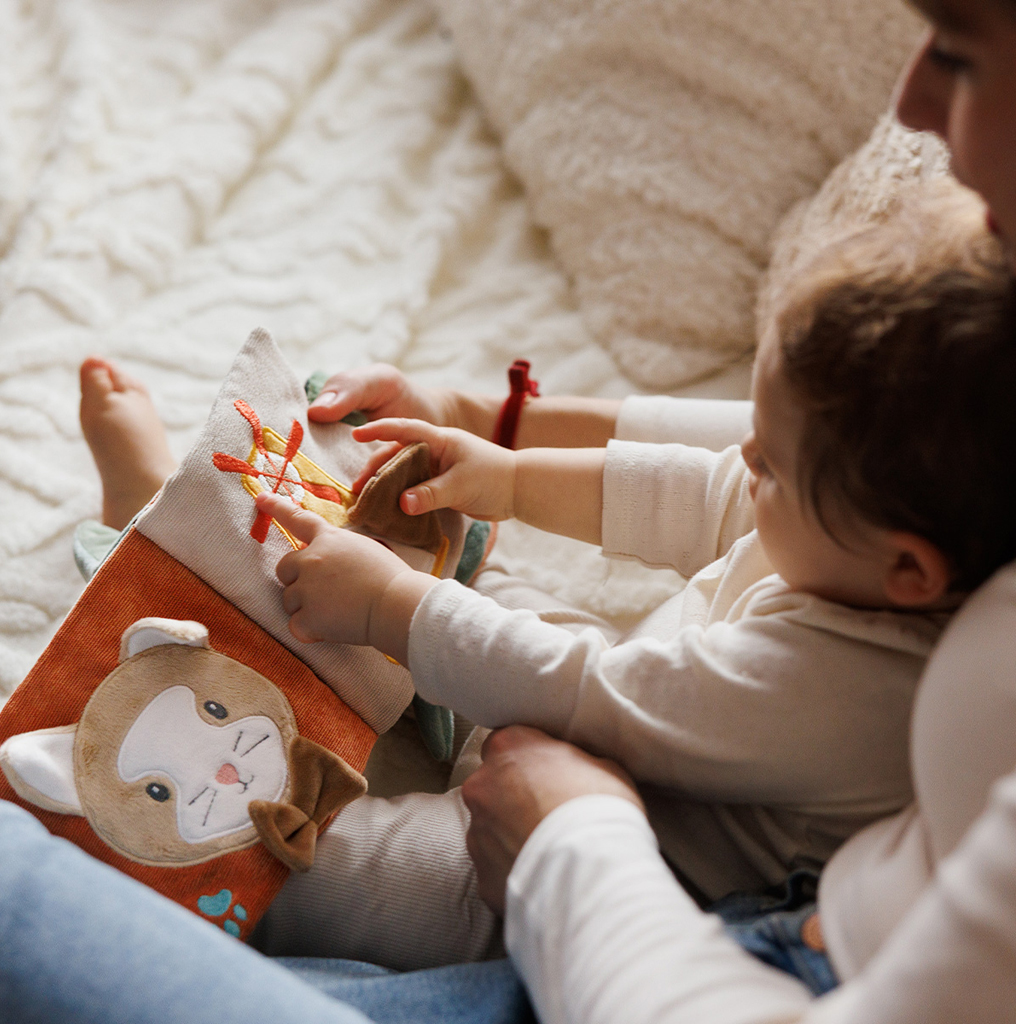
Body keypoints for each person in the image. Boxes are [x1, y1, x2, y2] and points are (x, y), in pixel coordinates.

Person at [248, 177, 1016, 978]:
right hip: (614, 700)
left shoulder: (855, 691)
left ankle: (186, 852)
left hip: (612, 851)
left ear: (909, 569)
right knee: (522, 617)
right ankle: (458, 574)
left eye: (775, 466)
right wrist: (510, 476)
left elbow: (602, 695)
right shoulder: (849, 536)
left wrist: (394, 609)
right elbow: (688, 490)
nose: (745, 460)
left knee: (353, 875)